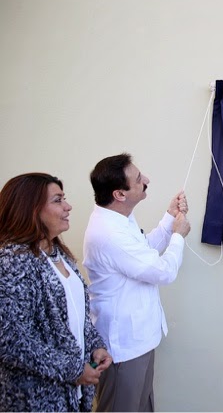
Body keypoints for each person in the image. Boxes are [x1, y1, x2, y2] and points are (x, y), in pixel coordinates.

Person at [83, 153, 191, 412]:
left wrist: (169, 217)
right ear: (120, 194)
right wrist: (178, 236)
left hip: (139, 341)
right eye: (139, 179)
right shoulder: (110, 234)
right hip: (124, 348)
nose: (147, 180)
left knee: (142, 407)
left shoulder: (117, 218)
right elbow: (162, 272)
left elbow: (142, 251)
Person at [0, 173, 112, 412]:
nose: (68, 206)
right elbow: (11, 341)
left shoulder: (57, 253)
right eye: (58, 200)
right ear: (30, 209)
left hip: (72, 393)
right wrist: (73, 369)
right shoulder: (12, 261)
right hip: (36, 399)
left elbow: (75, 315)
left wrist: (95, 345)